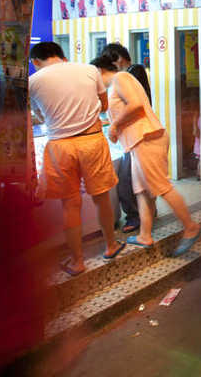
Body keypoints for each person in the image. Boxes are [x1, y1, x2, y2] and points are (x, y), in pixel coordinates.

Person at [28, 42, 123, 276]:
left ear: (35, 62)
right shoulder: (89, 70)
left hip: (60, 145)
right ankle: (110, 246)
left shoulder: (32, 82)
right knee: (101, 197)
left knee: (70, 205)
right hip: (91, 139)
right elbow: (103, 104)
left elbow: (38, 115)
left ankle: (77, 261)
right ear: (62, 56)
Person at [92, 55, 201, 255]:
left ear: (99, 70)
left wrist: (115, 126)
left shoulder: (120, 79)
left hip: (146, 138)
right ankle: (145, 235)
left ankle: (190, 226)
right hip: (138, 141)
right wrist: (113, 125)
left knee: (161, 187)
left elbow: (135, 105)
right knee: (142, 190)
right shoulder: (116, 84)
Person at [100, 42, 150, 233]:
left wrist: (114, 124)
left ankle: (135, 217)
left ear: (118, 59)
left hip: (137, 134)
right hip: (133, 134)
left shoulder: (130, 73)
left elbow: (134, 104)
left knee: (129, 180)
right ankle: (142, 216)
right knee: (138, 181)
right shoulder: (127, 74)